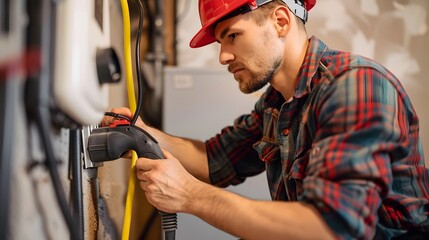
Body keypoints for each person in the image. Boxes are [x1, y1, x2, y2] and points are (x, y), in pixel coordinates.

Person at [105, 0, 429, 239]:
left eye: (232, 35)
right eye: (221, 42)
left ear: (280, 21)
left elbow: (330, 227)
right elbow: (214, 160)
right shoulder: (275, 105)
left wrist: (191, 196)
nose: (223, 56)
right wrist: (145, 134)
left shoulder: (356, 86)